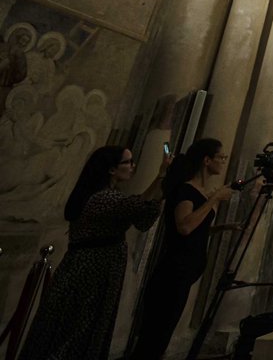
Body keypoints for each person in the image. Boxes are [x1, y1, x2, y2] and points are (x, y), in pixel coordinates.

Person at [19, 145, 168, 360]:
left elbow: (140, 216)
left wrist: (160, 185)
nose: (133, 166)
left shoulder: (106, 196)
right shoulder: (101, 199)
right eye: (128, 162)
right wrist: (160, 177)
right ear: (111, 169)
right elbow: (135, 207)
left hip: (96, 271)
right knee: (78, 328)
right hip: (90, 272)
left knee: (84, 327)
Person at [129, 138, 236, 360]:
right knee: (156, 334)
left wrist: (220, 228)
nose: (223, 161)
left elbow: (195, 228)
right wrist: (214, 198)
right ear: (207, 160)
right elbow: (185, 226)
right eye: (221, 157)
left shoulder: (197, 190)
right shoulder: (187, 190)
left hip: (185, 271)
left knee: (162, 333)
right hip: (174, 271)